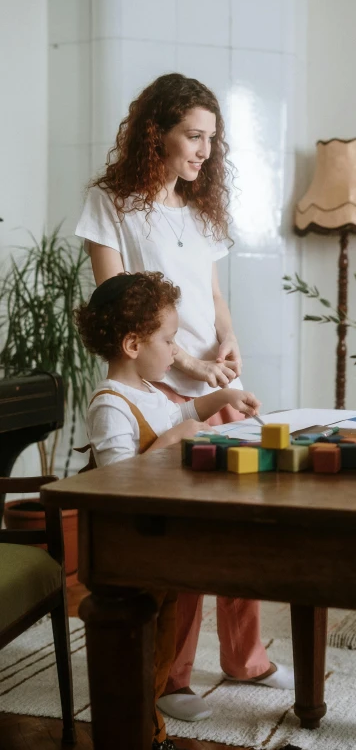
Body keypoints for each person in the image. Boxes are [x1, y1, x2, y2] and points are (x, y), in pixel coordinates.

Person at [75, 73, 293, 723]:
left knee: (249, 514)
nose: (203, 151)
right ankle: (170, 673)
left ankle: (244, 655)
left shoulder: (199, 209)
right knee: (186, 536)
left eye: (210, 140)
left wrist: (229, 344)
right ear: (156, 133)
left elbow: (214, 294)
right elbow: (118, 308)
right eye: (192, 136)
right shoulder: (110, 203)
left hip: (208, 383)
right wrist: (192, 365)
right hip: (161, 386)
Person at [74, 270, 263, 749]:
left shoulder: (149, 392)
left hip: (158, 546)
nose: (176, 351)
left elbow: (180, 416)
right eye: (169, 340)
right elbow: (116, 479)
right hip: (130, 550)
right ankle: (140, 735)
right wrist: (174, 442)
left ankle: (149, 728)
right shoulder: (110, 404)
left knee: (161, 643)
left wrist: (222, 397)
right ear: (133, 344)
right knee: (139, 652)